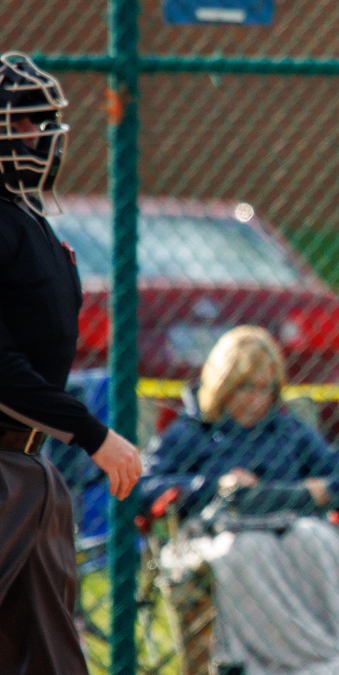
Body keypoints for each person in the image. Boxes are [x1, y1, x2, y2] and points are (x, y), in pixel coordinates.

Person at [141, 326, 339, 675]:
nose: (256, 400)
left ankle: (337, 660)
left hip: (291, 534)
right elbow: (143, 486)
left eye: (265, 389)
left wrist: (320, 490)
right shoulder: (193, 432)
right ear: (223, 384)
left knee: (318, 541)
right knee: (247, 549)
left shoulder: (287, 432)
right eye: (245, 388)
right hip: (219, 536)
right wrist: (214, 485)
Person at [0, 51, 142, 675]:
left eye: (40, 123)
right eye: (20, 124)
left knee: (52, 653)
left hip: (30, 469)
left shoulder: (29, 220)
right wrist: (93, 434)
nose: (37, 137)